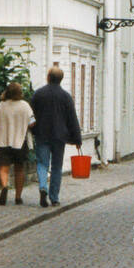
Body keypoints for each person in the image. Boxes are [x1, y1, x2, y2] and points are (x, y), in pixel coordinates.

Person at [30, 66, 82, 208]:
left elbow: (30, 113)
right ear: (61, 79)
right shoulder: (66, 97)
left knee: (42, 163)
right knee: (57, 167)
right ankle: (54, 198)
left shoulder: (38, 94)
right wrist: (77, 139)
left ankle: (42, 186)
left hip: (42, 133)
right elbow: (72, 118)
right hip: (59, 136)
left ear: (48, 77)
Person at [0, 82, 35, 206]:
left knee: (3, 167)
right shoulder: (25, 106)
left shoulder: (0, 106)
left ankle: (5, 186)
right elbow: (32, 123)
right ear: (19, 93)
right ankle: (18, 197)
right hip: (20, 141)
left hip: (3, 140)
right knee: (19, 168)